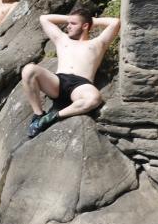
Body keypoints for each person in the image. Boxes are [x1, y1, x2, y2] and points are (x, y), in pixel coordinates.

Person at [22, 8, 120, 137]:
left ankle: (51, 118)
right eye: (68, 23)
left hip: (80, 85)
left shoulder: (97, 43)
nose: (68, 26)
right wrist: (71, 18)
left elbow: (115, 22)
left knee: (94, 99)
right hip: (58, 82)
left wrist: (92, 20)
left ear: (85, 26)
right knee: (29, 69)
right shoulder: (62, 39)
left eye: (73, 24)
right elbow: (44, 18)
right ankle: (38, 115)